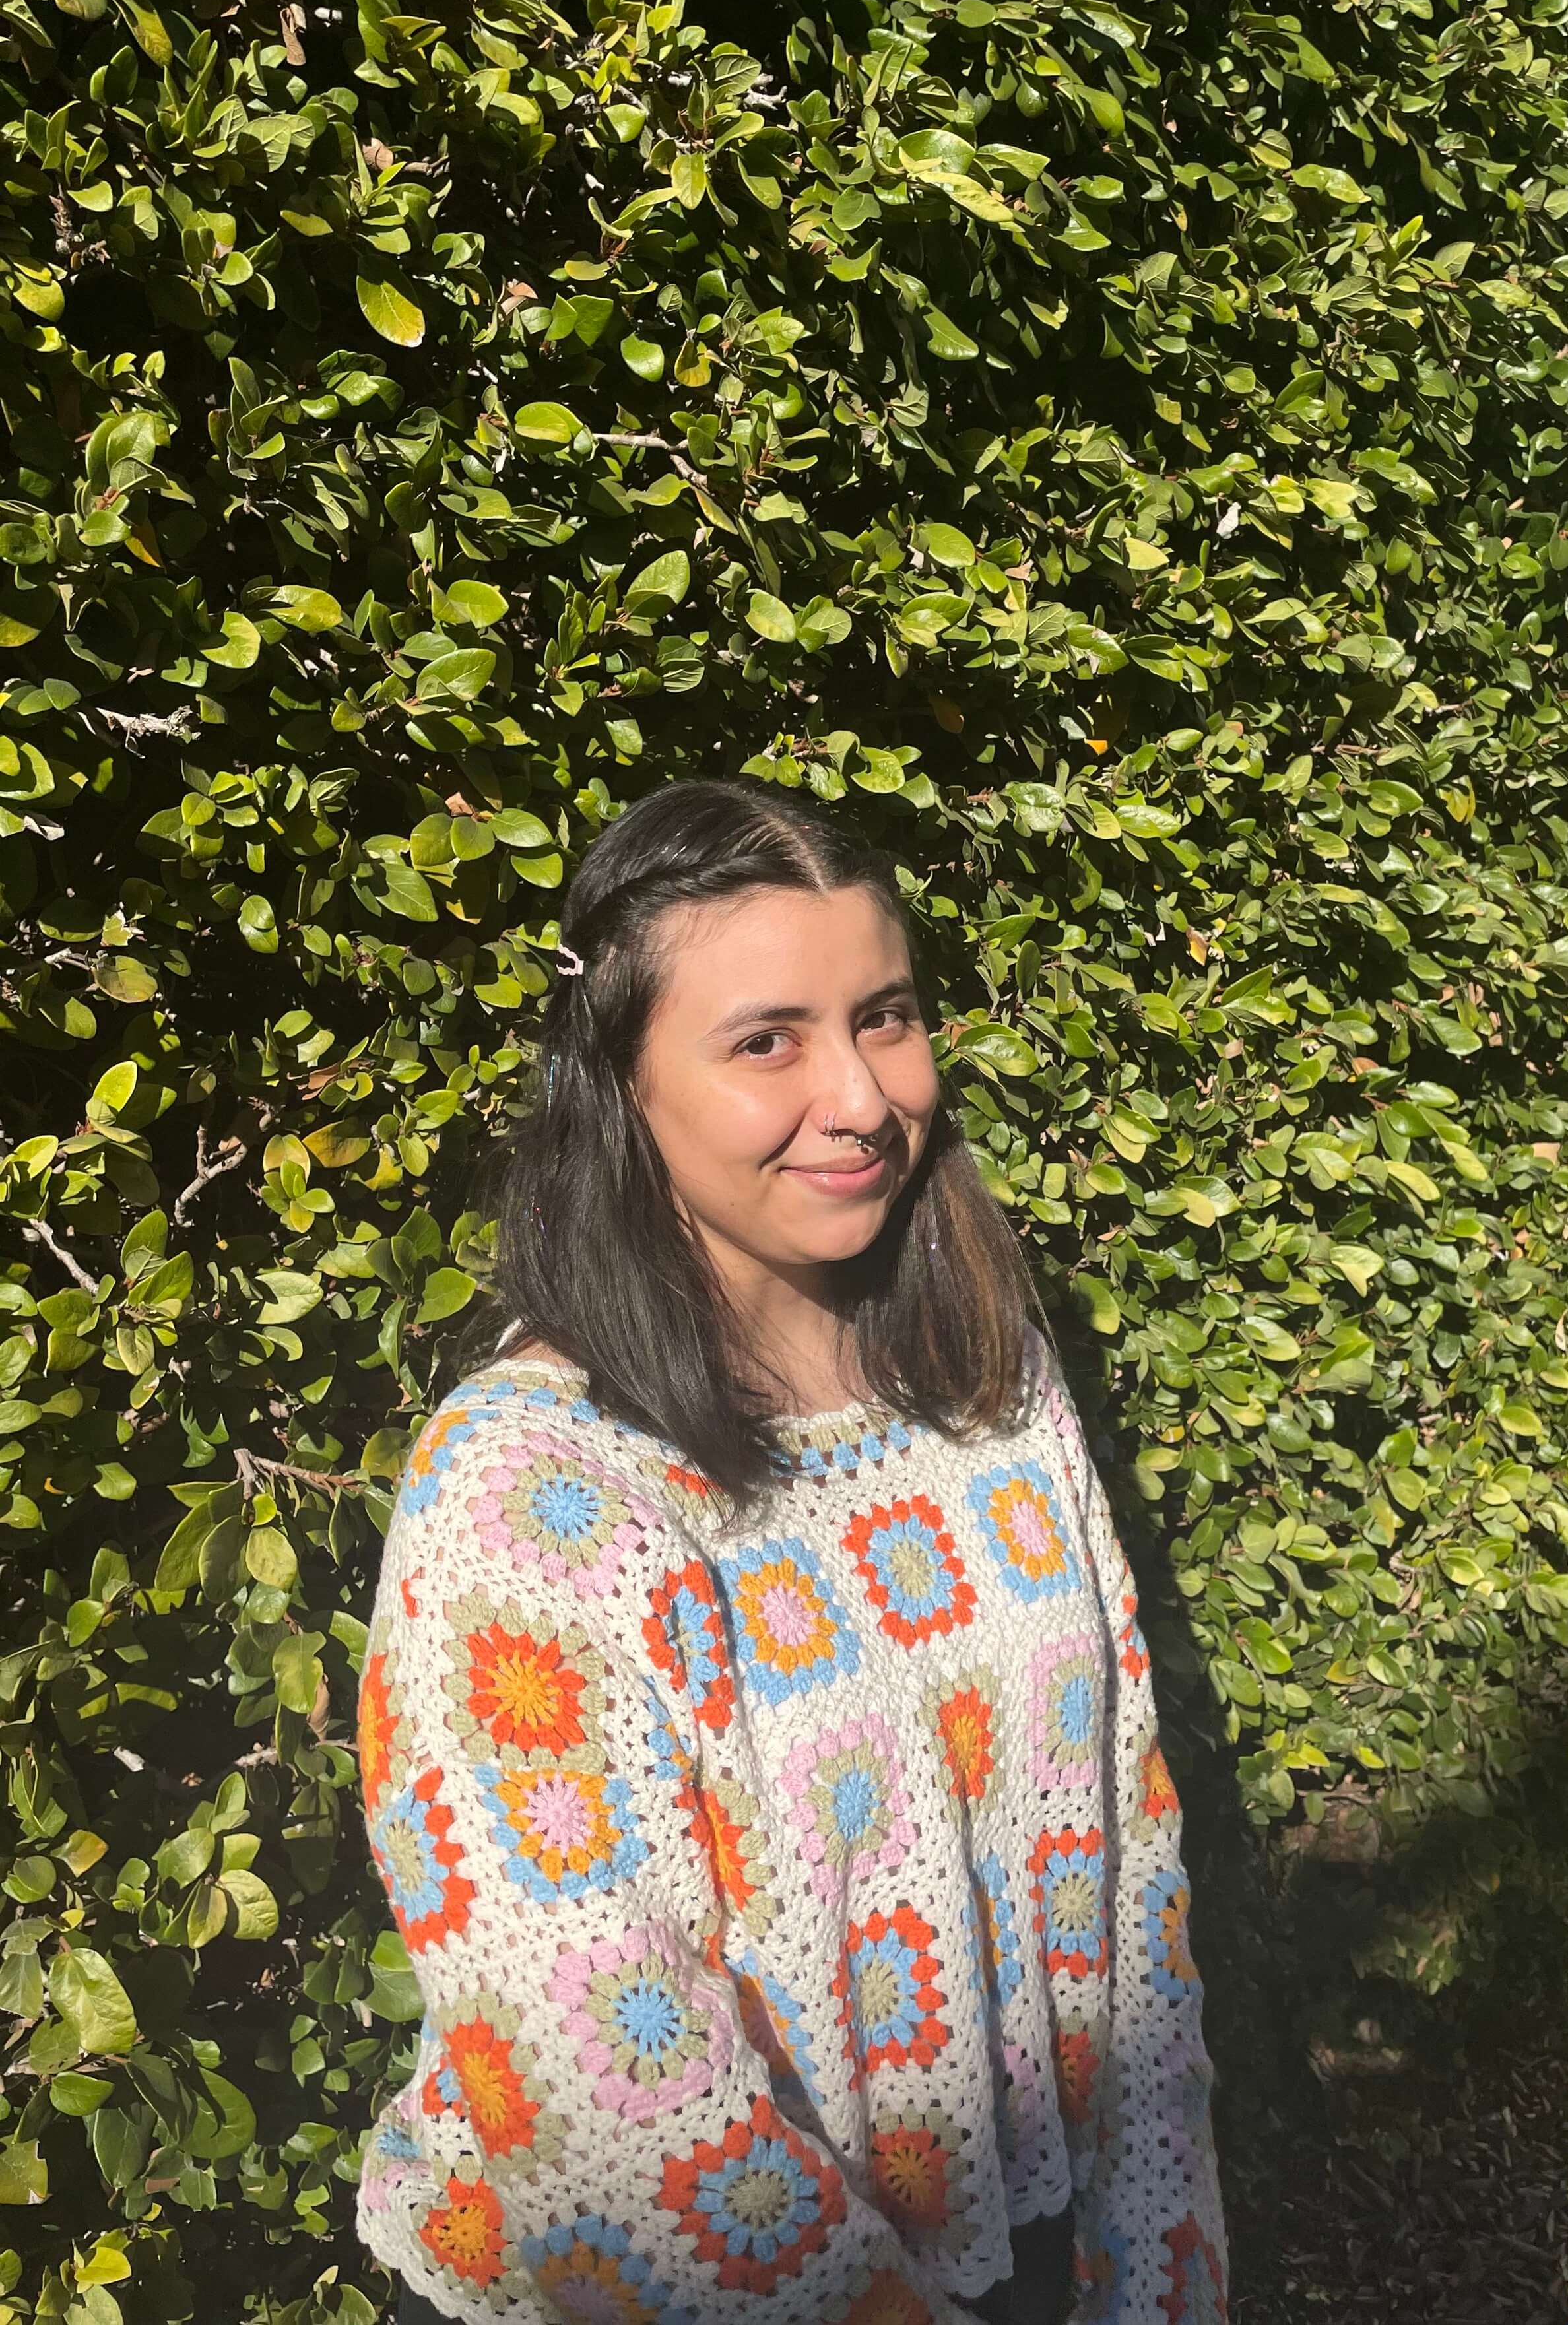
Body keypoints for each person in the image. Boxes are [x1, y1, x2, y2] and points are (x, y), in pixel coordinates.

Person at [354, 779, 1227, 2325]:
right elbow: (593, 2072)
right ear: (621, 1089)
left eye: (885, 1017)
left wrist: (1158, 2242)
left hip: (1008, 2236)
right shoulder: (534, 1494)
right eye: (768, 1040)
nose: (863, 1096)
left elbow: (1124, 1828)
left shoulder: (983, 1373)